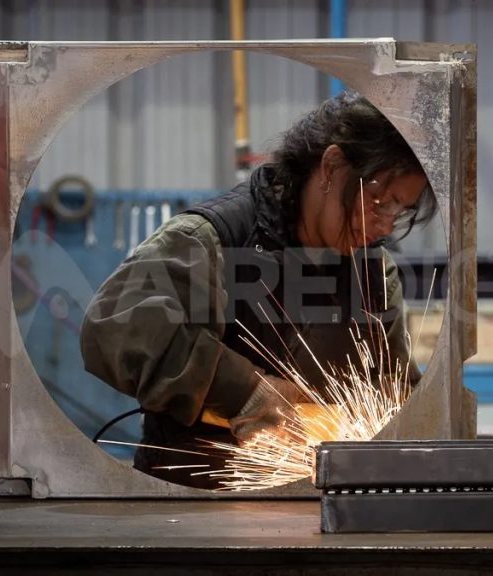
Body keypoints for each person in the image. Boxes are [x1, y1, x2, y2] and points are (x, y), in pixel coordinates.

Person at [79, 91, 438, 490]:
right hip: (191, 501)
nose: (385, 226)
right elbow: (114, 331)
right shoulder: (210, 240)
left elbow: (393, 391)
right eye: (380, 201)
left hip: (319, 501)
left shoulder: (371, 269)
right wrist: (244, 392)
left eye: (398, 211)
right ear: (332, 166)